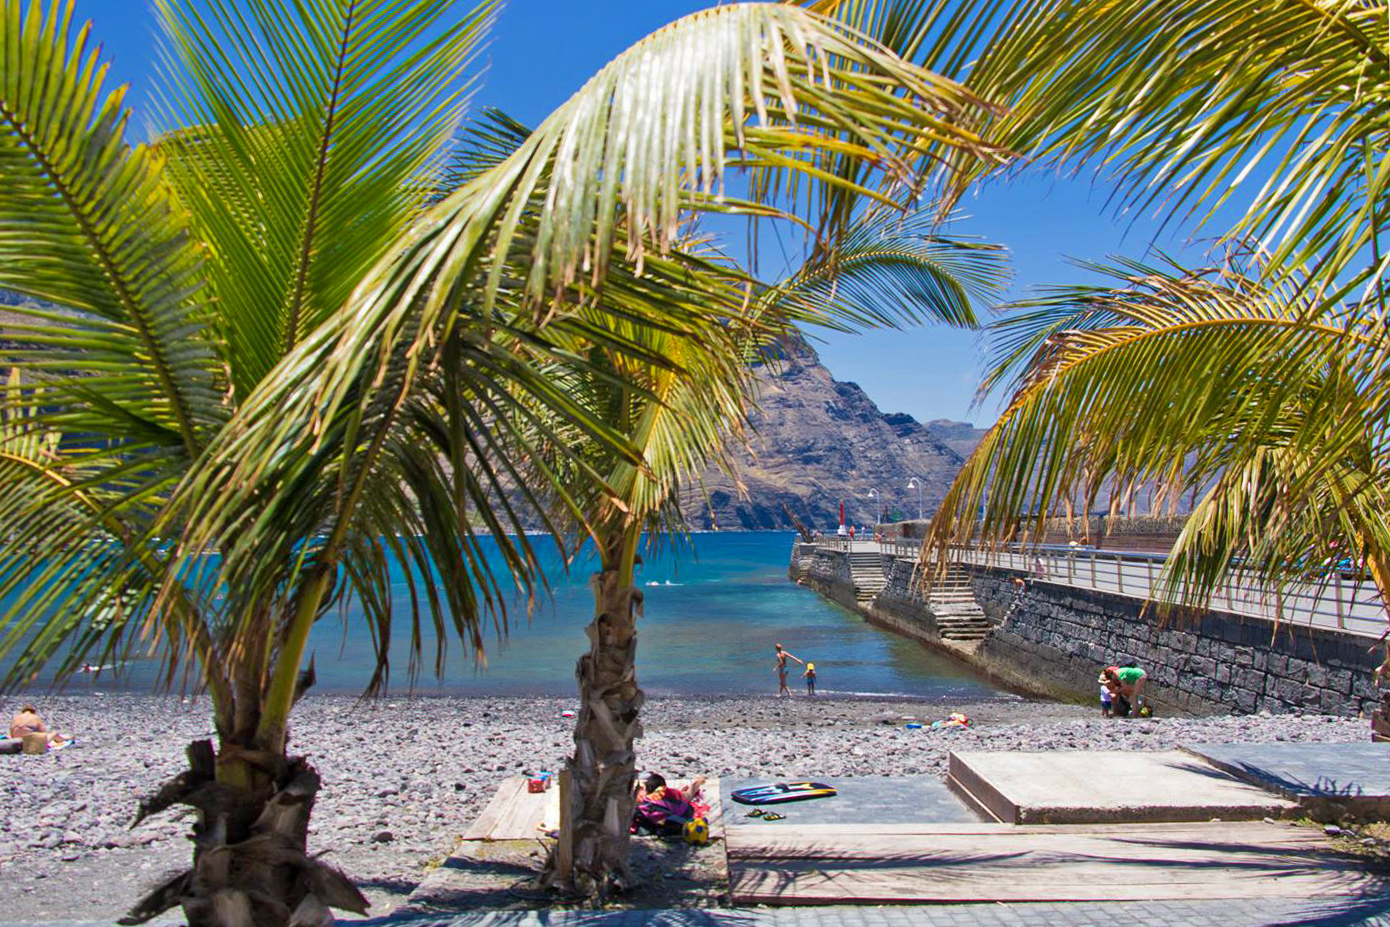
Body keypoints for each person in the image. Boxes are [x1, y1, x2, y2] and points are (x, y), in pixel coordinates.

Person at [632, 772, 709, 836]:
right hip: (677, 805)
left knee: (686, 794)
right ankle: (696, 783)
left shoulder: (647, 799)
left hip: (674, 802)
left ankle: (696, 783)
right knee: (685, 794)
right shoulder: (667, 793)